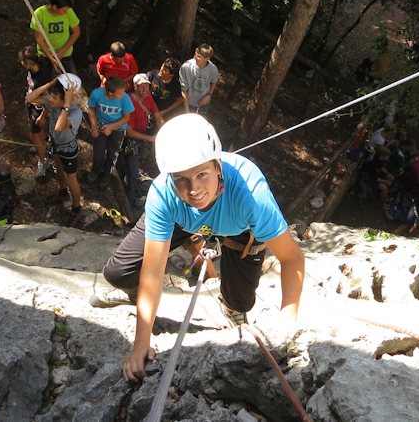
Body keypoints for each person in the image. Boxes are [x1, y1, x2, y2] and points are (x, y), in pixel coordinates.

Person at [89, 114, 305, 383]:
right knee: (119, 272)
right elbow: (153, 271)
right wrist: (141, 342)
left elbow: (292, 258)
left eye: (202, 174)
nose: (194, 189)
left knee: (240, 302)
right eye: (181, 179)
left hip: (238, 225)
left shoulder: (251, 195)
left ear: (218, 166)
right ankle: (140, 301)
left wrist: (287, 322)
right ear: (170, 177)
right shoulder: (164, 194)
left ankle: (232, 308)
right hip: (181, 216)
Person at [26, 74, 87, 225]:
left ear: (65, 99)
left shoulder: (75, 112)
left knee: (71, 178)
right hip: (55, 145)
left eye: (54, 97)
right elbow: (30, 98)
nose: (50, 99)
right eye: (50, 96)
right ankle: (62, 192)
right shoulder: (53, 103)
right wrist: (50, 83)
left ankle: (77, 208)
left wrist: (66, 104)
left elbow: (59, 127)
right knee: (59, 170)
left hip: (68, 150)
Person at [123, 73, 163, 207]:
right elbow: (128, 132)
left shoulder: (148, 97)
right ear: (135, 87)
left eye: (147, 86)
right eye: (142, 87)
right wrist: (150, 138)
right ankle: (130, 200)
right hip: (129, 140)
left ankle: (131, 188)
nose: (145, 89)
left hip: (141, 137)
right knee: (132, 169)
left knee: (133, 167)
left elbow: (157, 116)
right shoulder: (129, 102)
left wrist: (165, 132)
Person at [86, 75, 134, 185]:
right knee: (98, 152)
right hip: (101, 126)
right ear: (110, 92)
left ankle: (106, 173)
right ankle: (95, 170)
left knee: (113, 153)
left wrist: (112, 127)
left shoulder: (125, 98)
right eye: (120, 93)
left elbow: (127, 117)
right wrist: (93, 126)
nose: (123, 95)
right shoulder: (96, 94)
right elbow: (91, 109)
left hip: (118, 129)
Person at [19, 46, 57, 181]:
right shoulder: (33, 71)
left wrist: (43, 115)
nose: (21, 64)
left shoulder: (42, 76)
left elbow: (50, 100)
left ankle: (42, 161)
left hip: (39, 109)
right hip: (32, 105)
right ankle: (41, 148)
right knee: (37, 135)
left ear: (29, 62)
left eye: (23, 61)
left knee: (35, 136)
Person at [30, 0, 81, 74]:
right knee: (46, 81)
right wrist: (51, 58)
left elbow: (76, 32)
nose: (66, 12)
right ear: (54, 7)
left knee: (70, 82)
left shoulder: (69, 12)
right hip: (46, 55)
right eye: (64, 10)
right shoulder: (39, 14)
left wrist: (62, 51)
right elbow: (38, 39)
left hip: (65, 54)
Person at [179, 44, 219, 116]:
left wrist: (209, 95)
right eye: (195, 55)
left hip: (203, 104)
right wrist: (186, 109)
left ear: (207, 58)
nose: (195, 58)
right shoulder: (186, 67)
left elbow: (214, 82)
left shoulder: (213, 69)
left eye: (199, 56)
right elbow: (184, 90)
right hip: (187, 103)